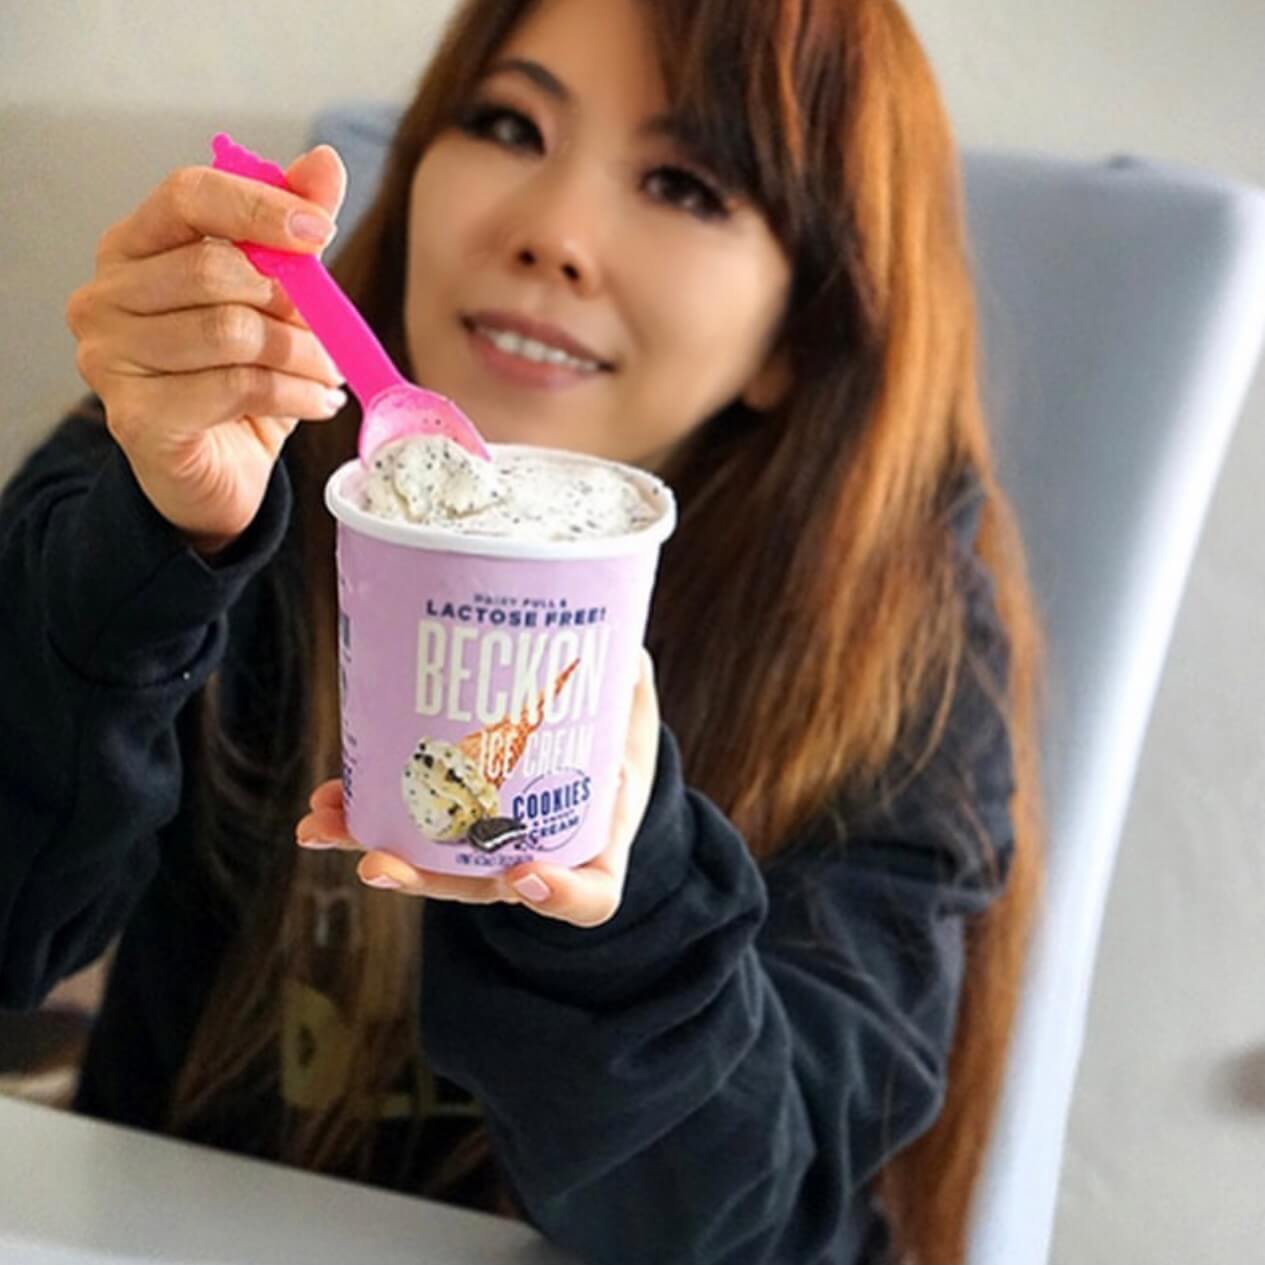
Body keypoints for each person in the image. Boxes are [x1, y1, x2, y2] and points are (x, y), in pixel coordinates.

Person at [0, 0, 1046, 1261]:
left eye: (683, 183)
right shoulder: (220, 459)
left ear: (797, 330)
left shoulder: (891, 653)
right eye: (507, 123)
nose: (550, 233)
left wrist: (623, 886)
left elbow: (753, 1221)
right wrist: (143, 556)